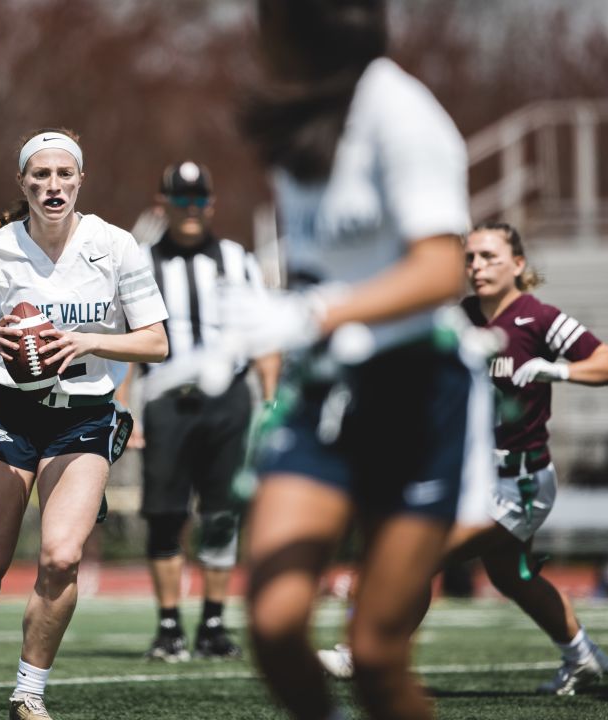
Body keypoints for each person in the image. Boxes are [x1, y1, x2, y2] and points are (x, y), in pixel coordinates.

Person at [224, 2, 496, 718]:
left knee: (376, 654)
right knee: (276, 625)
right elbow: (320, 267)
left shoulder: (402, 112)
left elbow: (442, 269)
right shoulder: (295, 128)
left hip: (417, 396)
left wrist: (317, 312)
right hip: (329, 393)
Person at [0, 127, 169, 720]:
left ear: (80, 180)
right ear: (23, 183)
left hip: (83, 417)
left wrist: (84, 339)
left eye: (63, 175)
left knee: (60, 555)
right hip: (8, 412)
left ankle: (29, 691)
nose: (52, 186)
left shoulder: (115, 245)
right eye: (40, 175)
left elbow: (156, 342)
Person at [320, 222, 608, 696]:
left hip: (520, 484)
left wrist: (559, 369)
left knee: (418, 554)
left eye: (489, 257)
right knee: (513, 576)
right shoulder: (459, 317)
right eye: (471, 258)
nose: (477, 267)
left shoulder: (538, 317)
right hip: (475, 477)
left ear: (518, 264)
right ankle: (584, 657)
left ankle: (364, 651)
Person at [114, 161, 280, 663]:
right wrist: (124, 407)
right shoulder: (140, 260)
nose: (189, 208)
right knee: (164, 515)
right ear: (161, 203)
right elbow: (124, 338)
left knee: (221, 514)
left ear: (210, 204)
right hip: (166, 400)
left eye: (197, 199)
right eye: (178, 199)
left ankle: (212, 623)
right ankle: (169, 627)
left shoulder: (238, 260)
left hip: (228, 401)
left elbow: (262, 337)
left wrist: (269, 402)